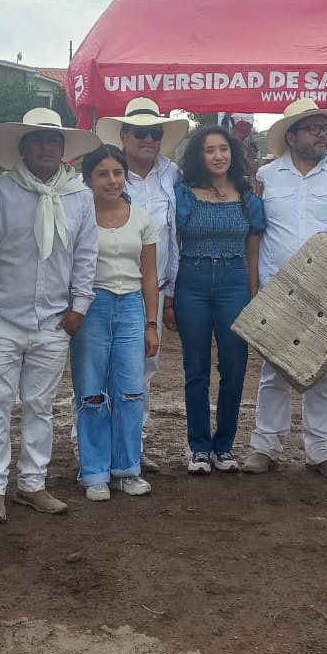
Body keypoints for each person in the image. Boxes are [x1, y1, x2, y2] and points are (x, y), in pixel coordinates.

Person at [0, 107, 100, 523]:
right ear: (23, 148)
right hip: (4, 315)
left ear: (63, 149)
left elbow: (85, 255)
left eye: (53, 140)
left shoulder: (79, 196)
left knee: (40, 406)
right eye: (38, 140)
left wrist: (80, 306)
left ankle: (32, 484)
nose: (47, 147)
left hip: (53, 320)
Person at [244, 99, 327, 481]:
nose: (323, 135)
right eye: (315, 129)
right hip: (279, 286)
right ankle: (264, 446)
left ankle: (321, 450)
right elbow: (255, 232)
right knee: (274, 370)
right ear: (292, 136)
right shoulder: (266, 177)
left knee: (323, 370)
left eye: (326, 129)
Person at [95, 96, 188, 473]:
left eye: (155, 133)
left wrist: (170, 297)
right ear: (124, 135)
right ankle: (92, 444)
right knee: (97, 369)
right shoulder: (105, 171)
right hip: (103, 286)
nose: (149, 139)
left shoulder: (174, 174)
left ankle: (133, 444)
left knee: (143, 371)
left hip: (153, 287)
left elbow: (176, 237)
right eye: (141, 133)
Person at [173, 122, 265, 474]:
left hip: (234, 281)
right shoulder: (184, 194)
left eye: (223, 149)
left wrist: (253, 294)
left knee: (234, 367)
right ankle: (199, 447)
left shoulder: (247, 197)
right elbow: (173, 245)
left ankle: (223, 446)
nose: (218, 156)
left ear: (233, 154)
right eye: (210, 150)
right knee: (195, 369)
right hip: (191, 280)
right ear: (199, 155)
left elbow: (253, 250)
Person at [71, 145, 161, 501]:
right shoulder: (78, 217)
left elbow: (150, 276)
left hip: (132, 308)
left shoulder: (142, 217)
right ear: (88, 179)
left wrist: (151, 323)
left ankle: (127, 469)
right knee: (91, 390)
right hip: (92, 306)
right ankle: (93, 471)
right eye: (103, 174)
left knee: (130, 391)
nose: (111, 180)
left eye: (117, 173)